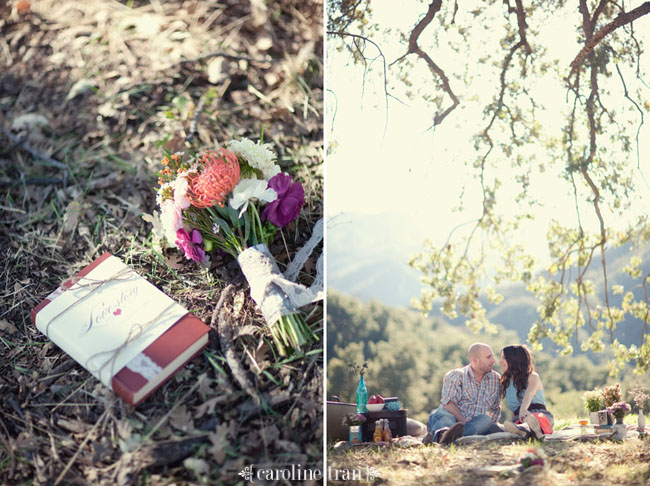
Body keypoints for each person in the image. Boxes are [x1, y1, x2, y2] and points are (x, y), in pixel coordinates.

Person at [423, 343, 502, 445]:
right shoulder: (455, 375)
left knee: (485, 420)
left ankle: (446, 439)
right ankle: (443, 435)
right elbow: (449, 404)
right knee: (443, 413)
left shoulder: (496, 380)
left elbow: (495, 409)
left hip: (473, 425)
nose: (493, 360)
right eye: (488, 357)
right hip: (452, 419)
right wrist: (462, 420)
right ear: (475, 360)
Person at [500, 344, 554, 440]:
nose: (500, 362)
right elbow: (514, 410)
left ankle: (529, 430)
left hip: (540, 414)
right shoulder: (506, 382)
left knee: (533, 419)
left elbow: (529, 394)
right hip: (519, 419)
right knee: (515, 423)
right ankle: (530, 431)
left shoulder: (533, 376)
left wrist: (523, 410)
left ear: (514, 360)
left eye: (504, 358)